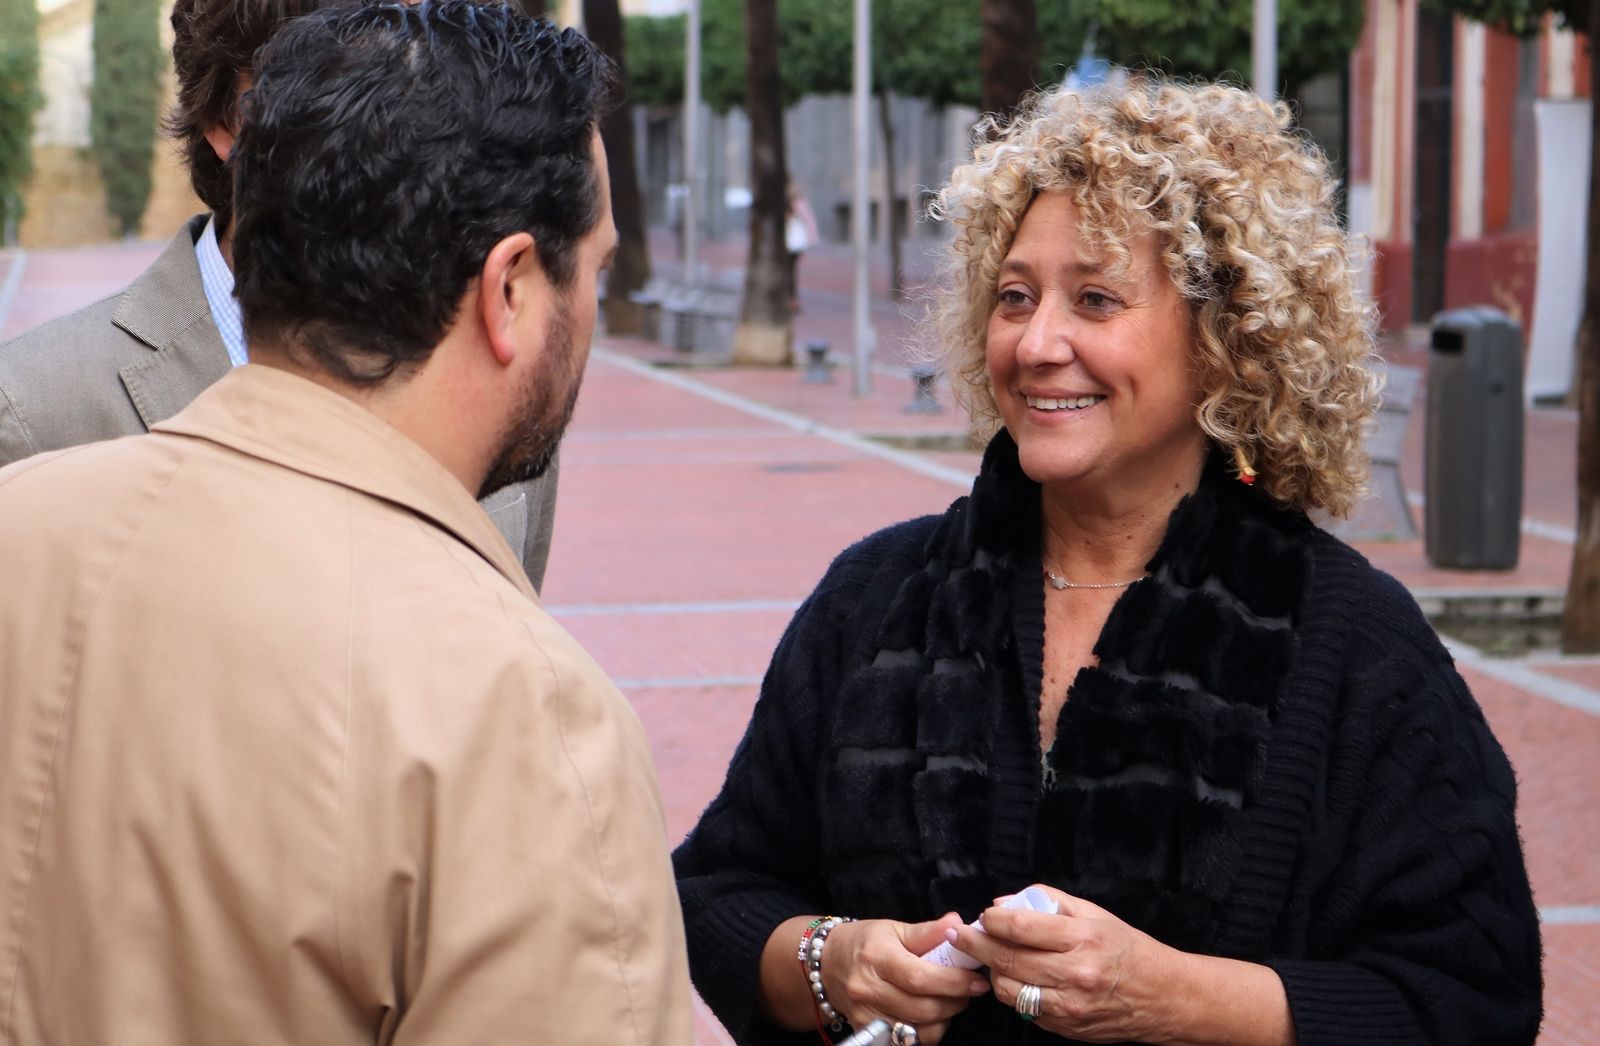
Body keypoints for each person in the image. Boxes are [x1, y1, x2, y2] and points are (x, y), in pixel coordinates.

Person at [674, 80, 1542, 1045]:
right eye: (1015, 297)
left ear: (1226, 339)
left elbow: (1472, 996)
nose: (1040, 343)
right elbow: (716, 892)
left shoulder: (1354, 644)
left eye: (1096, 298)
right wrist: (829, 963)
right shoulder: (876, 600)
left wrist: (1179, 999)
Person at [0, 3, 691, 1042]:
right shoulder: (528, 713)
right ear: (509, 287)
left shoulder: (22, 525)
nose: (592, 310)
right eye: (590, 271)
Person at [0, 0, 559, 591]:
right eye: (338, 87)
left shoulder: (508, 380)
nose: (397, 123)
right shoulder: (36, 409)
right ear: (224, 120)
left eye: (424, 76)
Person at [784, 181, 819, 314]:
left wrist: (809, 241)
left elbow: (809, 223)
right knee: (790, 273)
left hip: (791, 245)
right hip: (794, 245)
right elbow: (810, 223)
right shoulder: (798, 204)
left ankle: (791, 301)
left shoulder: (797, 205)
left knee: (788, 273)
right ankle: (791, 301)